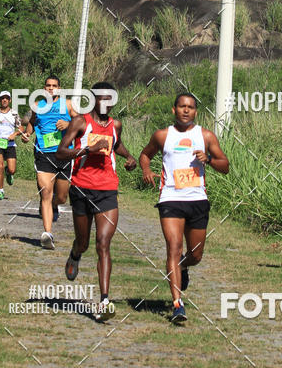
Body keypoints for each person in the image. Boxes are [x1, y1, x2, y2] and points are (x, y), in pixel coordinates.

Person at [139, 93, 229, 324]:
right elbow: (145, 155)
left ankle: (182, 267)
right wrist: (146, 171)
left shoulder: (206, 136)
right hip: (170, 198)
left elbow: (225, 166)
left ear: (195, 112)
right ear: (174, 110)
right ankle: (178, 304)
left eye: (190, 107)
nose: (186, 110)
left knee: (196, 255)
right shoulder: (162, 135)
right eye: (182, 106)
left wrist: (208, 159)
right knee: (174, 247)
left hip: (197, 200)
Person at [56, 82, 136, 322]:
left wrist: (129, 157)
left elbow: (116, 143)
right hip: (81, 188)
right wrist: (86, 151)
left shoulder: (116, 125)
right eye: (100, 99)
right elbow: (61, 152)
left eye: (109, 99)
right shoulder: (80, 122)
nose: (105, 103)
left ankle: (103, 301)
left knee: (103, 243)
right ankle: (75, 252)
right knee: (84, 242)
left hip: (107, 190)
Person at [25, 75, 73, 250]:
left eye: (54, 86)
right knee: (45, 192)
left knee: (61, 197)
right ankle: (47, 234)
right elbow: (31, 123)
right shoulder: (37, 106)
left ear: (59, 88)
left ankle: (54, 205)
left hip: (63, 154)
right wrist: (26, 134)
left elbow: (81, 123)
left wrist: (68, 124)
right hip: (43, 153)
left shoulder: (67, 104)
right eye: (48, 85)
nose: (51, 88)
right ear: (44, 88)